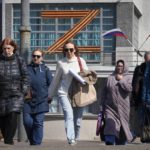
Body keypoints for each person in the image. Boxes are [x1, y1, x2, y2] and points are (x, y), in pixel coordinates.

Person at [48, 40, 88, 145]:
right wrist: (50, 95)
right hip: (64, 93)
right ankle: (71, 139)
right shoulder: (61, 63)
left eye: (71, 49)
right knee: (69, 115)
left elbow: (88, 77)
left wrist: (82, 77)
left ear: (75, 50)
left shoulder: (81, 61)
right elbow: (56, 80)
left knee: (78, 121)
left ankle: (76, 137)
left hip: (78, 93)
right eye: (66, 50)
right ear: (64, 51)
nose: (69, 51)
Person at [0, 37, 29, 145]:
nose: (6, 51)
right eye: (4, 48)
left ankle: (8, 140)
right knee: (3, 120)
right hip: (2, 94)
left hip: (16, 94)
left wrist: (24, 90)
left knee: (12, 116)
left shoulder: (19, 60)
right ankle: (7, 138)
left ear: (13, 48)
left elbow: (25, 76)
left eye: (8, 48)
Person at [23, 49, 53, 145]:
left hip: (42, 101)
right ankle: (32, 140)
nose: (35, 58)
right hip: (27, 101)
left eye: (38, 56)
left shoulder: (45, 69)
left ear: (42, 58)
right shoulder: (26, 68)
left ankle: (36, 144)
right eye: (34, 56)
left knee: (38, 123)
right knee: (27, 122)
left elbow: (51, 84)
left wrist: (49, 95)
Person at [101, 59, 133, 145]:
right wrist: (102, 105)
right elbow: (104, 92)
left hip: (123, 107)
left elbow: (129, 89)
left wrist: (121, 80)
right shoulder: (110, 77)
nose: (119, 68)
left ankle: (122, 141)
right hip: (110, 107)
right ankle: (110, 141)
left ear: (124, 67)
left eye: (121, 66)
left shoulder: (129, 77)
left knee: (123, 126)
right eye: (118, 66)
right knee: (110, 122)